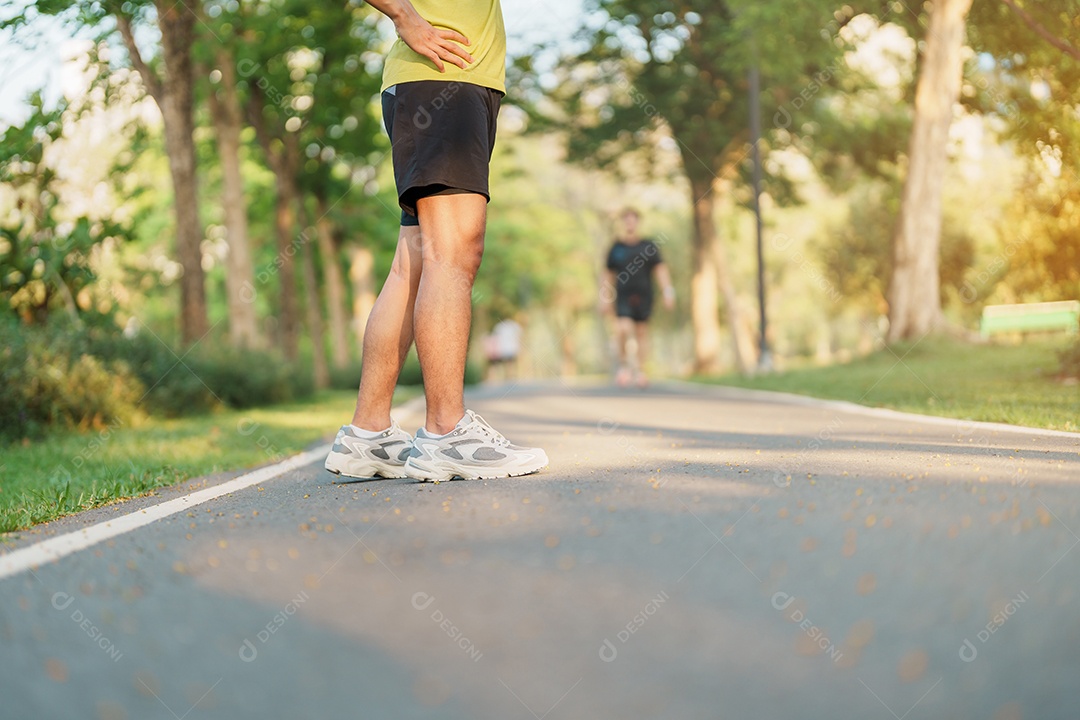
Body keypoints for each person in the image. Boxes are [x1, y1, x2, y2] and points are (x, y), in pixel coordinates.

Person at [324, 0, 547, 482]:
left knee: (415, 265)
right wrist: (404, 16)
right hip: (443, 82)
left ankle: (369, 434)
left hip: (442, 83)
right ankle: (448, 433)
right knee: (454, 252)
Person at [601, 208, 675, 388]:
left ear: (637, 222)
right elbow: (607, 274)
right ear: (622, 223)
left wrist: (668, 292)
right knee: (622, 329)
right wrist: (603, 297)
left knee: (642, 333)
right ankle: (624, 367)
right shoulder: (616, 248)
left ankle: (641, 371)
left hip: (644, 295)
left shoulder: (648, 246)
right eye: (626, 220)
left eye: (632, 220)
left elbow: (660, 270)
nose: (629, 223)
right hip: (623, 295)